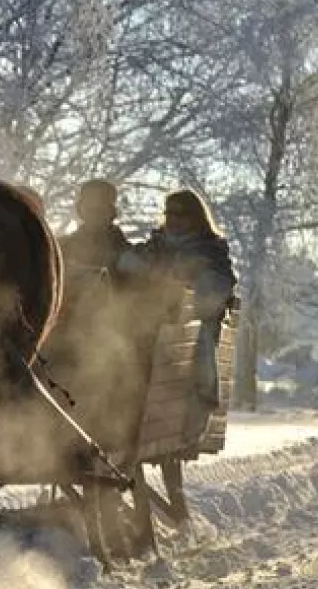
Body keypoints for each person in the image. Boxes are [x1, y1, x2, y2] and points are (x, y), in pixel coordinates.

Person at [118, 189, 237, 435]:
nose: (172, 219)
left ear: (195, 218)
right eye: (169, 213)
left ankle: (195, 409)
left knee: (195, 340)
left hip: (188, 328)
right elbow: (127, 262)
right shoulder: (157, 245)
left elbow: (215, 289)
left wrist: (176, 277)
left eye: (180, 214)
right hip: (149, 324)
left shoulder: (209, 250)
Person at [61, 179, 130, 272]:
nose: (95, 215)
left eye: (100, 210)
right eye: (90, 209)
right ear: (80, 210)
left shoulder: (126, 254)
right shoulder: (63, 248)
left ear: (112, 212)